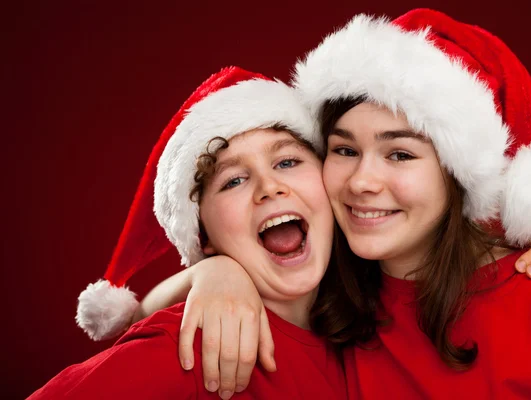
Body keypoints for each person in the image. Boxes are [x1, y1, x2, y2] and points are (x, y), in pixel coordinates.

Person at [124, 9, 531, 399]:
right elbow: (145, 317)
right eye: (345, 150)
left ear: (456, 175)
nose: (363, 181)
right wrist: (211, 273)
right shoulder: (328, 290)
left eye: (399, 154)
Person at [29, 66, 349, 400]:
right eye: (233, 181)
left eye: (286, 162)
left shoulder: (369, 327)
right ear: (203, 235)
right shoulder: (188, 348)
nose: (269, 187)